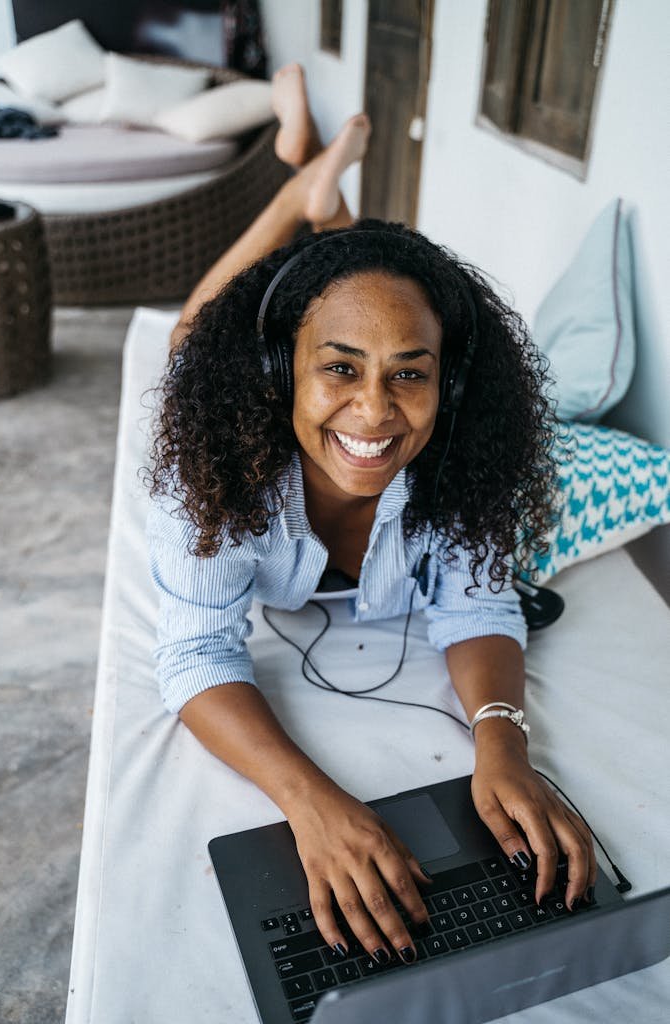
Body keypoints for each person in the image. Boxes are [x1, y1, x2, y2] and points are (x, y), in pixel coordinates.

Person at [148, 64, 596, 968]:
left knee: (367, 283)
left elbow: (477, 605)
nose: (376, 413)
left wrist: (501, 745)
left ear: (449, 382)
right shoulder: (209, 469)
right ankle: (302, 182)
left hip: (356, 310)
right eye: (339, 371)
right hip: (229, 358)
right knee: (192, 332)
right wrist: (311, 804)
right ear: (280, 379)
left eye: (411, 374)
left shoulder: (461, 461)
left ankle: (322, 187)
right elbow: (196, 647)